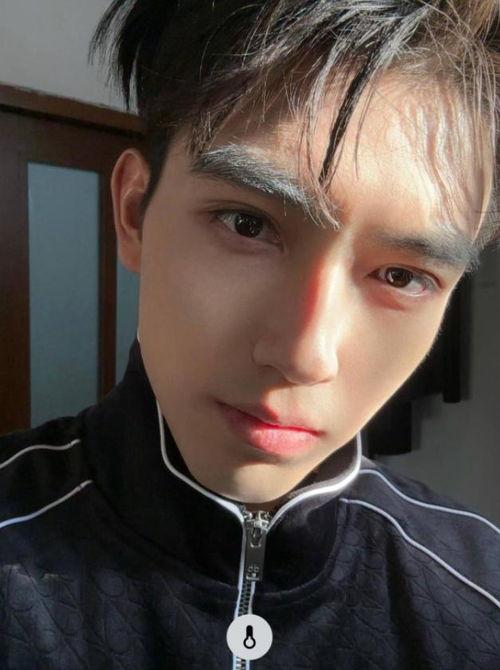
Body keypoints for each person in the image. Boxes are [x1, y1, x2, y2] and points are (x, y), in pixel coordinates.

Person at [1, 1, 499, 668]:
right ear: (134, 213)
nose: (304, 355)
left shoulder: (481, 604)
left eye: (402, 276)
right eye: (247, 224)